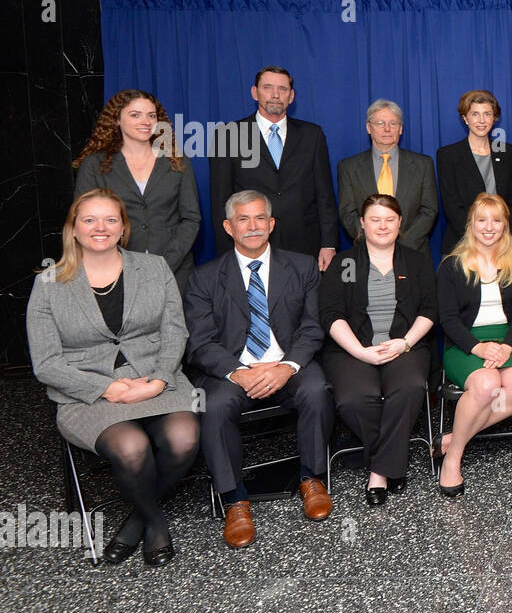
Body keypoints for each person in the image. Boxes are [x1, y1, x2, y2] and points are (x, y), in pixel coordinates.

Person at [26, 189, 199, 566]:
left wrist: (158, 379)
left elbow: (175, 331)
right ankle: (154, 523)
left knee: (185, 437)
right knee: (131, 447)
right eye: (89, 220)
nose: (100, 228)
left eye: (110, 220)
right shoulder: (49, 283)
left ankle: (135, 520)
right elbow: (46, 362)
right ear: (73, 229)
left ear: (124, 228)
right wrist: (106, 387)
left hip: (156, 378)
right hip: (86, 391)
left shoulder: (154, 268)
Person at [184, 190, 334, 548]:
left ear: (272, 224)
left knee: (318, 390)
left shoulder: (302, 267)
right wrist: (239, 372)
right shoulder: (204, 278)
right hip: (235, 371)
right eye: (243, 219)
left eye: (259, 219)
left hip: (288, 365)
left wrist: (287, 366)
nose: (252, 227)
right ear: (228, 227)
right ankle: (234, 498)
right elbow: (200, 343)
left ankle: (311, 478)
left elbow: (313, 327)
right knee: (214, 406)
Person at [319, 195, 438, 506]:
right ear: (362, 223)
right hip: (352, 349)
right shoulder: (345, 263)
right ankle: (393, 461)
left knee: (410, 387)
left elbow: (430, 309)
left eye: (389, 219)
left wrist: (405, 342)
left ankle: (379, 472)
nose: (382, 226)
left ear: (400, 223)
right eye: (375, 219)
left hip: (406, 346)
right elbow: (332, 314)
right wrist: (361, 352)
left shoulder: (416, 261)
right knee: (354, 399)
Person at [436, 193, 512, 496]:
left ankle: (455, 437)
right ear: (471, 224)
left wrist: (507, 346)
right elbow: (448, 319)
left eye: (496, 220)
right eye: (482, 220)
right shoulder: (451, 265)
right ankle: (453, 460)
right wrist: (477, 348)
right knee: (487, 384)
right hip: (465, 341)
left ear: (506, 225)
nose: (489, 227)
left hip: (507, 336)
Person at [72, 90, 202, 293]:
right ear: (116, 119)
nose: (146, 121)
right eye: (135, 115)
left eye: (151, 115)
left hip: (174, 269)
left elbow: (191, 218)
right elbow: (85, 221)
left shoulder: (177, 160)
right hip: (116, 270)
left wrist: (165, 263)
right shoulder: (94, 165)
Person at [211, 65, 338, 270]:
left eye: (283, 89)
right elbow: (220, 202)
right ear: (255, 92)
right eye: (268, 87)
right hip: (250, 244)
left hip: (305, 244)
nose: (275, 95)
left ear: (292, 96)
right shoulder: (229, 135)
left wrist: (329, 244)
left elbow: (325, 195)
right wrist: (227, 253)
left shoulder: (312, 135)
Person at [336, 99, 438, 256]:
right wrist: (375, 243)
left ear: (401, 129)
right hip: (367, 254)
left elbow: (429, 210)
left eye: (393, 123)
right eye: (380, 123)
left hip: (414, 253)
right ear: (369, 127)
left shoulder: (423, 164)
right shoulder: (348, 167)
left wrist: (401, 246)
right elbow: (348, 213)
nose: (387, 129)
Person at [436, 90, 512, 255]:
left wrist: (508, 237)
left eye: (487, 114)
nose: (481, 120)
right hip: (463, 245)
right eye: (475, 114)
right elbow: (451, 205)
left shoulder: (506, 151)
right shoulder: (448, 155)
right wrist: (478, 238)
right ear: (465, 118)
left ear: (494, 118)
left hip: (502, 245)